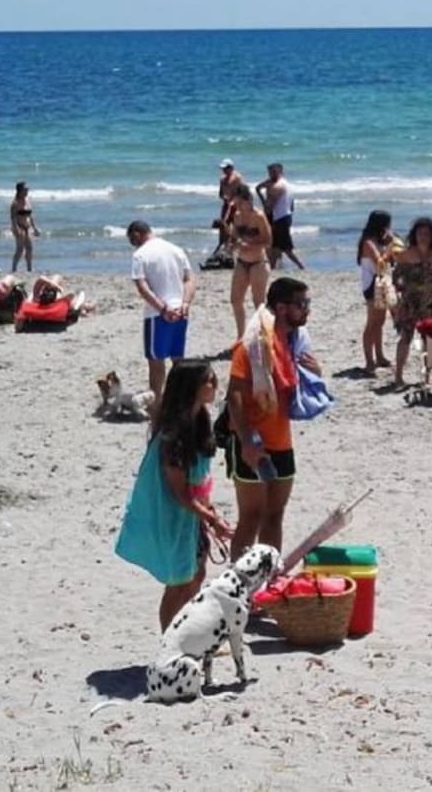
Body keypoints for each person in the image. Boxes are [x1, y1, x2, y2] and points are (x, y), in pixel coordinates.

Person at [114, 360, 233, 631]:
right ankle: (170, 644)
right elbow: (178, 492)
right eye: (208, 380)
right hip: (173, 516)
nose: (214, 385)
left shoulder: (200, 420)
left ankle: (188, 636)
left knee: (197, 574)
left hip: (193, 515)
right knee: (179, 582)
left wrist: (210, 514)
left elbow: (199, 480)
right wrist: (211, 519)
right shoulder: (174, 433)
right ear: (192, 387)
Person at [225, 276, 316, 562]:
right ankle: (236, 585)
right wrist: (248, 443)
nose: (307, 310)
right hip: (252, 441)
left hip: (281, 440)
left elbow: (289, 387)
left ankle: (266, 581)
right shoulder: (252, 344)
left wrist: (314, 373)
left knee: (274, 517)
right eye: (302, 304)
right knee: (251, 518)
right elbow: (234, 396)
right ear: (282, 307)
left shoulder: (290, 341)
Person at [127, 221, 195, 402]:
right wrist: (186, 303)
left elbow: (142, 287)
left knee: (156, 362)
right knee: (177, 358)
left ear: (137, 234)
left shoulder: (140, 255)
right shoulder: (176, 249)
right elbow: (189, 279)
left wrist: (161, 308)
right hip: (180, 310)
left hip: (157, 314)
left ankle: (157, 401)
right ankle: (181, 397)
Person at [391, 217, 432, 388]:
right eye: (420, 233)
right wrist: (399, 295)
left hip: (430, 303)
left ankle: (428, 376)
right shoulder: (406, 254)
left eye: (426, 233)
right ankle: (399, 377)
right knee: (405, 338)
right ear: (414, 235)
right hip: (409, 303)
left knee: (429, 340)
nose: (423, 237)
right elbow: (396, 278)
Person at [226, 184, 272, 341]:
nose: (237, 206)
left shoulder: (258, 216)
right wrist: (232, 245)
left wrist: (249, 245)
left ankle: (264, 335)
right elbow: (234, 235)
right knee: (235, 299)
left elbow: (268, 241)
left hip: (258, 262)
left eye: (240, 203)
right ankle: (241, 335)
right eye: (236, 203)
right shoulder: (237, 216)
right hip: (242, 261)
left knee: (258, 301)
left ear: (248, 200)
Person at [357, 210, 397, 374]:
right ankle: (369, 361)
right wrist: (390, 247)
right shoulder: (368, 242)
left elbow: (390, 262)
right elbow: (379, 262)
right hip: (372, 284)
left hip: (382, 283)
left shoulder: (379, 241)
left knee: (380, 322)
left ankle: (379, 356)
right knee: (372, 323)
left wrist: (391, 244)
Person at [257, 163, 305, 271]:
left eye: (273, 172)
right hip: (286, 215)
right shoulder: (288, 185)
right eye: (269, 172)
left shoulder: (277, 187)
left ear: (280, 172)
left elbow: (269, 207)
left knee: (286, 247)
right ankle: (272, 267)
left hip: (279, 218)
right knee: (275, 245)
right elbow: (292, 204)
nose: (270, 175)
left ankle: (301, 266)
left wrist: (264, 204)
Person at [9, 181, 40, 272]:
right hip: (19, 227)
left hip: (27, 227)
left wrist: (35, 228)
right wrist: (16, 228)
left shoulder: (27, 201)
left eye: (27, 189)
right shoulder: (15, 203)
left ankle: (29, 268)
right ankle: (14, 268)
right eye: (25, 189)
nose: (27, 191)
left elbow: (30, 216)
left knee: (29, 248)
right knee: (20, 249)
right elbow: (13, 218)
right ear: (20, 190)